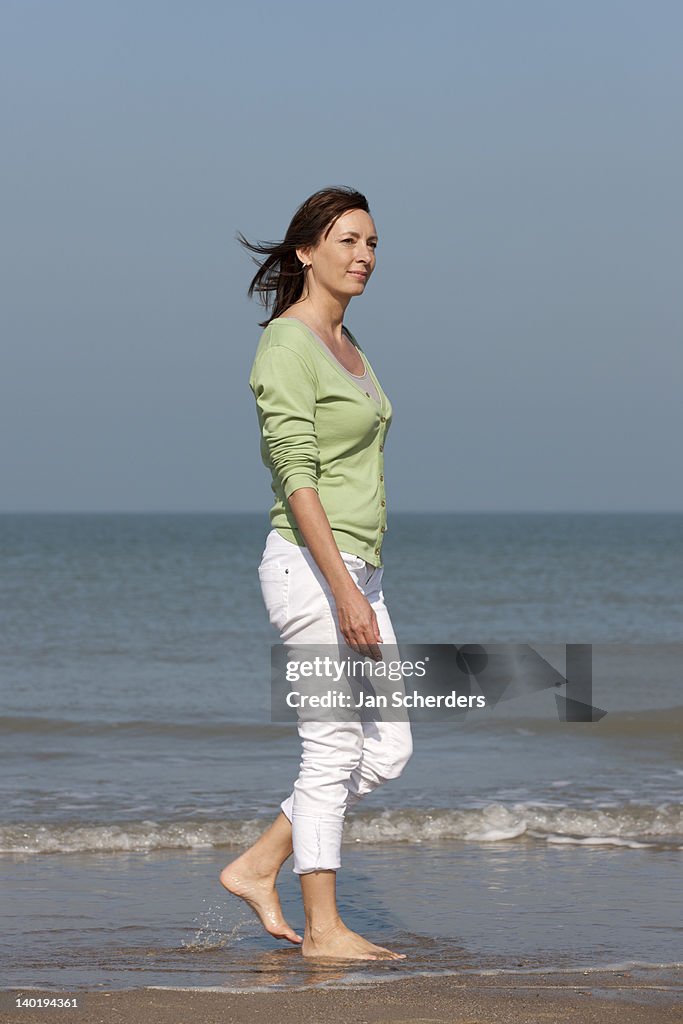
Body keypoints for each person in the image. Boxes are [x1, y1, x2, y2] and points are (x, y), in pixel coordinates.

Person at [220, 186, 413, 961]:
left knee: (388, 750)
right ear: (304, 251)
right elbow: (296, 475)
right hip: (311, 567)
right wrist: (338, 590)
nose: (362, 256)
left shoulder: (350, 344)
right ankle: (324, 931)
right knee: (331, 748)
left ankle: (259, 863)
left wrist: (356, 584)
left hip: (357, 567)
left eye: (371, 244)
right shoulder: (287, 345)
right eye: (346, 241)